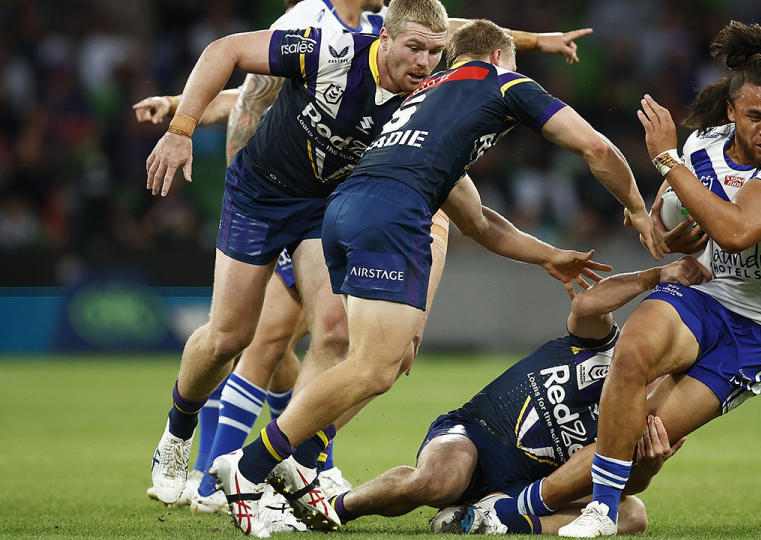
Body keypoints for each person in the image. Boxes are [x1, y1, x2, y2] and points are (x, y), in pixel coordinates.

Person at [210, 18, 666, 536]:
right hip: (393, 215)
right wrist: (635, 207)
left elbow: (480, 221)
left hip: (344, 211)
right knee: (374, 367)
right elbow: (598, 149)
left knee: (388, 355)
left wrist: (546, 256)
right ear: (497, 57)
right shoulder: (501, 81)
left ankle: (303, 453)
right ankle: (249, 467)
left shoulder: (427, 101)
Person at [138, 0, 596, 516]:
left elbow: (473, 211)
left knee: (336, 331)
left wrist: (534, 42)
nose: (425, 62)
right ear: (384, 39)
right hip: (259, 196)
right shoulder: (330, 48)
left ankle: (287, 463)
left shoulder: (421, 100)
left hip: (324, 207)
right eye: (414, 48)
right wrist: (181, 129)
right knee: (229, 337)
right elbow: (227, 52)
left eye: (434, 52)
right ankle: (178, 433)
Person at [541, 21, 761, 537]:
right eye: (756, 116)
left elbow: (736, 232)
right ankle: (601, 513)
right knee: (632, 351)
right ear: (730, 113)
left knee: (643, 436)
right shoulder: (703, 145)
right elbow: (670, 227)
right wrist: (669, 237)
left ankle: (506, 511)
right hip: (704, 295)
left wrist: (668, 162)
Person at [322, 256, 709, 535]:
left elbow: (620, 482)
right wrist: (656, 275)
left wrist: (648, 466)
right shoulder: (605, 343)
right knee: (439, 480)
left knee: (633, 515)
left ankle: (491, 522)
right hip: (477, 434)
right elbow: (586, 304)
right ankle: (335, 508)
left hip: (527, 488)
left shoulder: (659, 413)